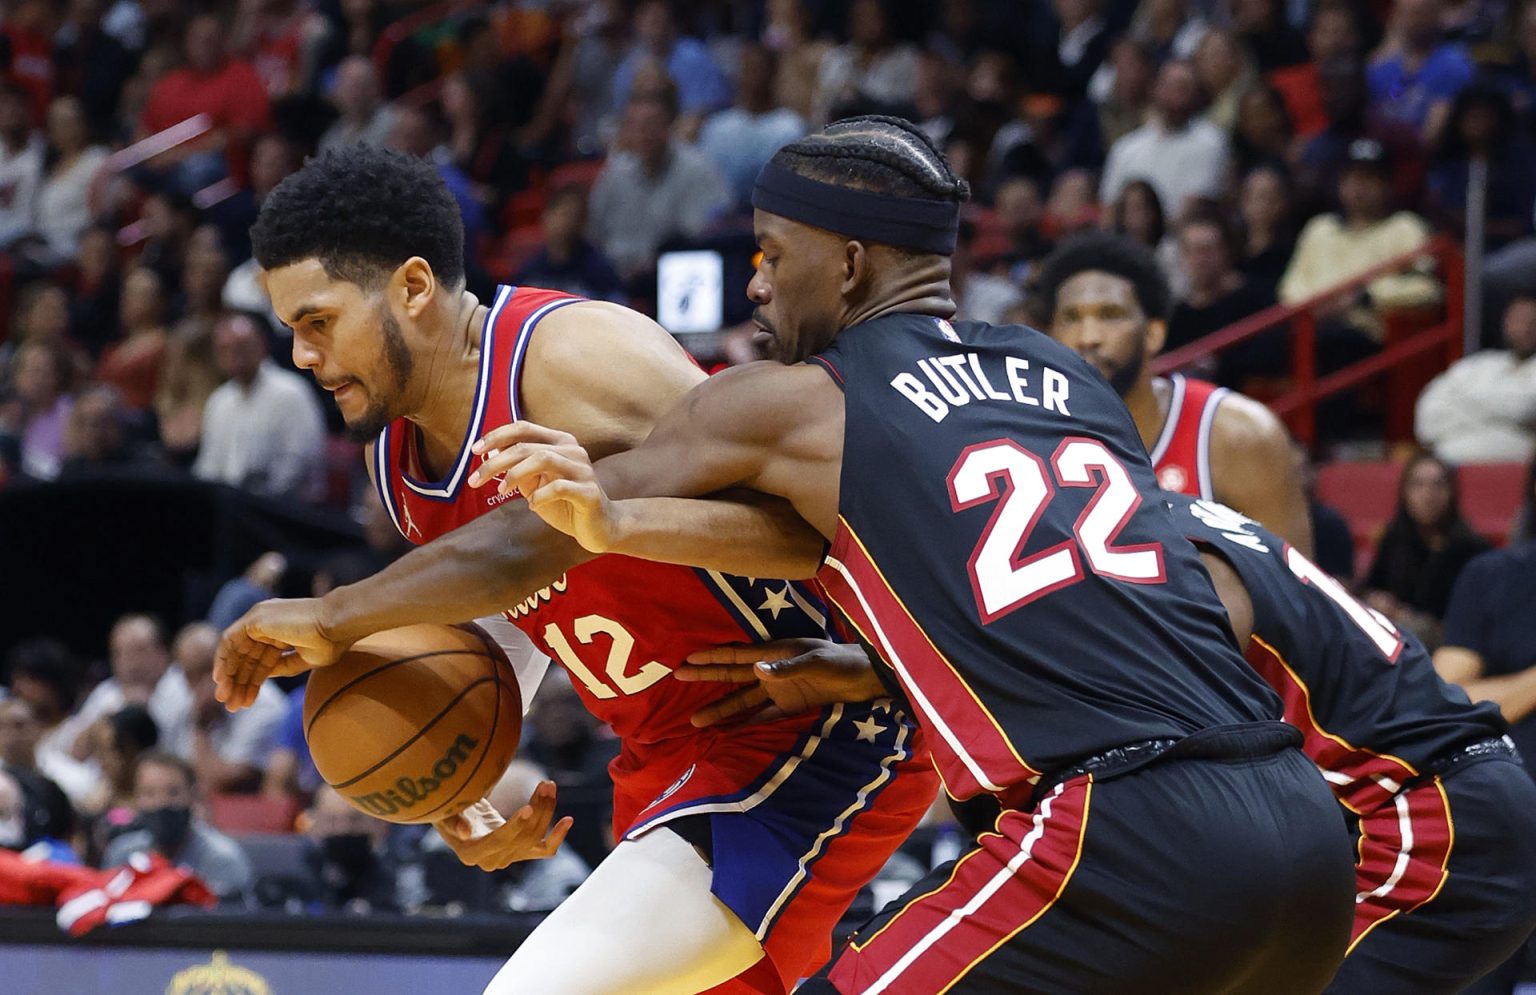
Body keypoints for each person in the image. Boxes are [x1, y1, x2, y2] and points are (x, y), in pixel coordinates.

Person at [459, 115, 1355, 992]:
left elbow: (561, 526)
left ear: (848, 263)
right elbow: (1060, 602)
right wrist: (880, 667)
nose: (756, 286)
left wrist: (596, 517)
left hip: (1123, 831)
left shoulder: (811, 400)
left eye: (772, 255)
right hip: (1302, 828)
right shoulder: (1067, 376)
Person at [215, 143, 937, 994]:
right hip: (667, 763)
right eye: (291, 330)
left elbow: (817, 520)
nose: (301, 355)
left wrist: (340, 614)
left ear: (412, 288)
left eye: (318, 322)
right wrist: (455, 778)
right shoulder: (398, 465)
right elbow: (513, 602)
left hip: (810, 732)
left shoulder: (574, 357)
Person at [1033, 230, 1315, 552]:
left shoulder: (1238, 434)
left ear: (1153, 334)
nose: (1088, 337)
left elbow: (1295, 593)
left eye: (1110, 315)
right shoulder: (1021, 436)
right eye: (1071, 318)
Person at [192, 311, 327, 503]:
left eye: (241, 348)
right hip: (229, 508)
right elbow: (208, 466)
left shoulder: (290, 394)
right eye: (225, 349)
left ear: (261, 345)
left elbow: (298, 467)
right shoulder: (219, 400)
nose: (233, 356)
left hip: (282, 512)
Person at [1362, 453, 1492, 643]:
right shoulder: (1393, 539)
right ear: (1404, 493)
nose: (1428, 495)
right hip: (1394, 639)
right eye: (1418, 485)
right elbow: (1370, 588)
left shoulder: (1473, 549)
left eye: (1438, 485)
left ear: (1452, 493)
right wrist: (1376, 599)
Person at [100, 751, 253, 904]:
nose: (161, 804)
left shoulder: (221, 859)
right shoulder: (122, 854)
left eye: (173, 793)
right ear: (136, 799)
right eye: (149, 794)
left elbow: (227, 924)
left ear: (192, 796)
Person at [1099, 60, 1230, 223]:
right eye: (1171, 86)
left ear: (1196, 93)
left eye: (1184, 88)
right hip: (1128, 243)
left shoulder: (1210, 141)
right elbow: (1110, 207)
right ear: (1156, 88)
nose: (1177, 95)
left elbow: (1195, 206)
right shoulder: (1127, 147)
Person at [1415, 294, 1536, 464]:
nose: (1525, 328)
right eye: (1518, 319)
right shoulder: (1479, 364)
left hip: (1517, 474)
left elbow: (1523, 408)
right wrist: (1506, 421)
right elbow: (1428, 417)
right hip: (1450, 469)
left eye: (1531, 321)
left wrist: (1465, 402)